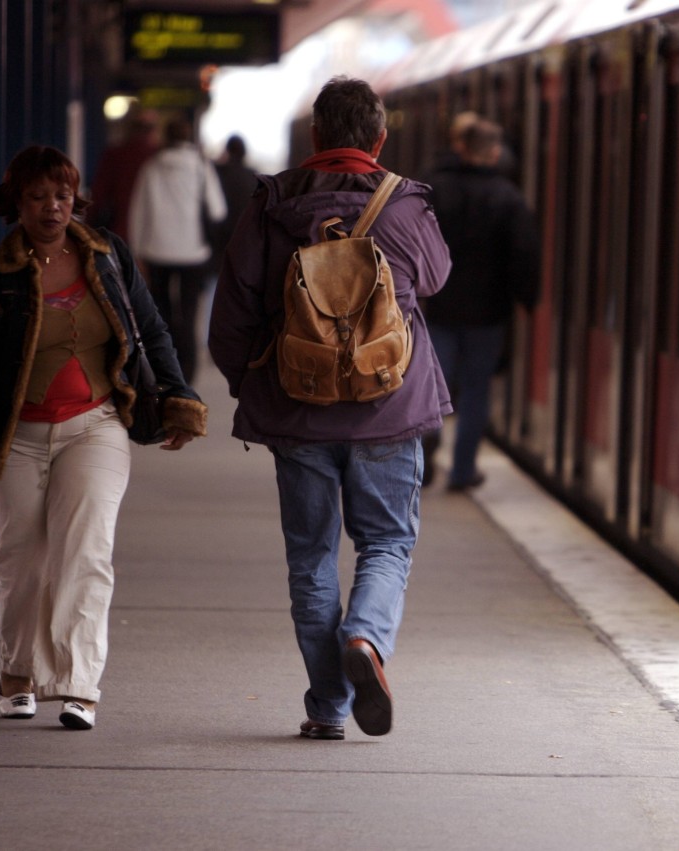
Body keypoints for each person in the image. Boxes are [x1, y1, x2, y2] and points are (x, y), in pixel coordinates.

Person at [209, 76, 452, 740]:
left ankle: (328, 706)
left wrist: (260, 387)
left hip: (300, 407)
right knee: (386, 540)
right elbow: (434, 278)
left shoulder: (272, 203)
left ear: (314, 136)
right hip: (389, 408)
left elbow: (230, 320)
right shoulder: (404, 206)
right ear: (379, 137)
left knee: (310, 556)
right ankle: (368, 640)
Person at [0, 145, 208, 730]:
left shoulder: (107, 257)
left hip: (96, 425)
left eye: (62, 196)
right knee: (22, 558)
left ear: (75, 198)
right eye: (37, 197)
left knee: (86, 552)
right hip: (17, 438)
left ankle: (79, 684)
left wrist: (179, 396)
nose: (52, 208)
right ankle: (18, 674)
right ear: (16, 203)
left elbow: (153, 330)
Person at [421, 117, 540, 490]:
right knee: (476, 391)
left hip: (438, 307)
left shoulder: (434, 188)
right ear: (493, 153)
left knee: (431, 388)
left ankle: (422, 460)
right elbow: (525, 253)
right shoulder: (508, 197)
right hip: (488, 314)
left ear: (460, 148)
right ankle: (462, 470)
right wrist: (527, 299)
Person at [129, 116, 227, 383]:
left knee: (161, 312)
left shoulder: (151, 167)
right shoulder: (200, 166)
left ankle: (164, 369)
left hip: (155, 250)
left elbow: (138, 211)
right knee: (189, 311)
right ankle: (188, 373)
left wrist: (136, 250)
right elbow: (218, 209)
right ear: (188, 139)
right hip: (194, 253)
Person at [88, 105, 159, 243]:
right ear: (154, 130)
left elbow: (98, 194)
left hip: (120, 232)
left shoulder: (114, 155)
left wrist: (87, 225)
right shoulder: (158, 157)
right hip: (154, 237)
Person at [211, 134, 258, 273]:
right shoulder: (253, 176)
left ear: (227, 151)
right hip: (244, 239)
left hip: (220, 239)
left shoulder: (217, 173)